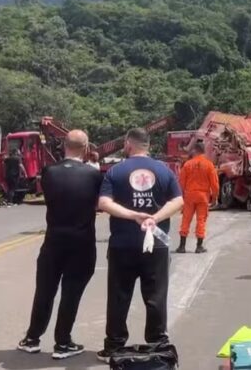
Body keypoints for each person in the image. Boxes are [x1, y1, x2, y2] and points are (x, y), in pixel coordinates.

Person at [96, 128, 184, 362]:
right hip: (155, 245)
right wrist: (155, 218)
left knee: (118, 296)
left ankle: (114, 345)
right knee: (156, 295)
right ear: (147, 146)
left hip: (122, 244)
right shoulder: (164, 170)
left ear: (128, 144)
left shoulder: (116, 171)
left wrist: (132, 215)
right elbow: (178, 200)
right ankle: (157, 343)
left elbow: (104, 202)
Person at [17, 130, 103, 359]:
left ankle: (32, 338)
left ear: (64, 146)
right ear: (86, 149)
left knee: (45, 290)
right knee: (71, 294)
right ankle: (63, 343)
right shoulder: (94, 175)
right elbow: (98, 203)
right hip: (82, 243)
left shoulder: (49, 173)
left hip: (53, 241)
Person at [175, 141, 219, 254]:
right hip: (203, 196)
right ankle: (199, 247)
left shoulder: (187, 164)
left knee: (186, 219)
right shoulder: (209, 165)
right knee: (201, 220)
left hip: (189, 196)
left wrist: (181, 197)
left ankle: (182, 246)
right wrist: (214, 198)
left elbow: (181, 183)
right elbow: (214, 184)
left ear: (195, 150)